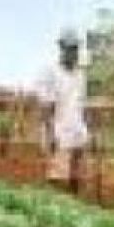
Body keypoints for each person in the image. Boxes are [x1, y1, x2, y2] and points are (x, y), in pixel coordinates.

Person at [37, 29, 90, 192]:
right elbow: (46, 106)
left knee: (76, 179)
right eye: (70, 49)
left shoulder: (80, 74)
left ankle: (72, 211)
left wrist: (87, 131)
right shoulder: (51, 73)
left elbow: (81, 104)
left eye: (75, 49)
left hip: (77, 131)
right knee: (58, 179)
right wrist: (50, 134)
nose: (73, 53)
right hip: (59, 133)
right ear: (61, 48)